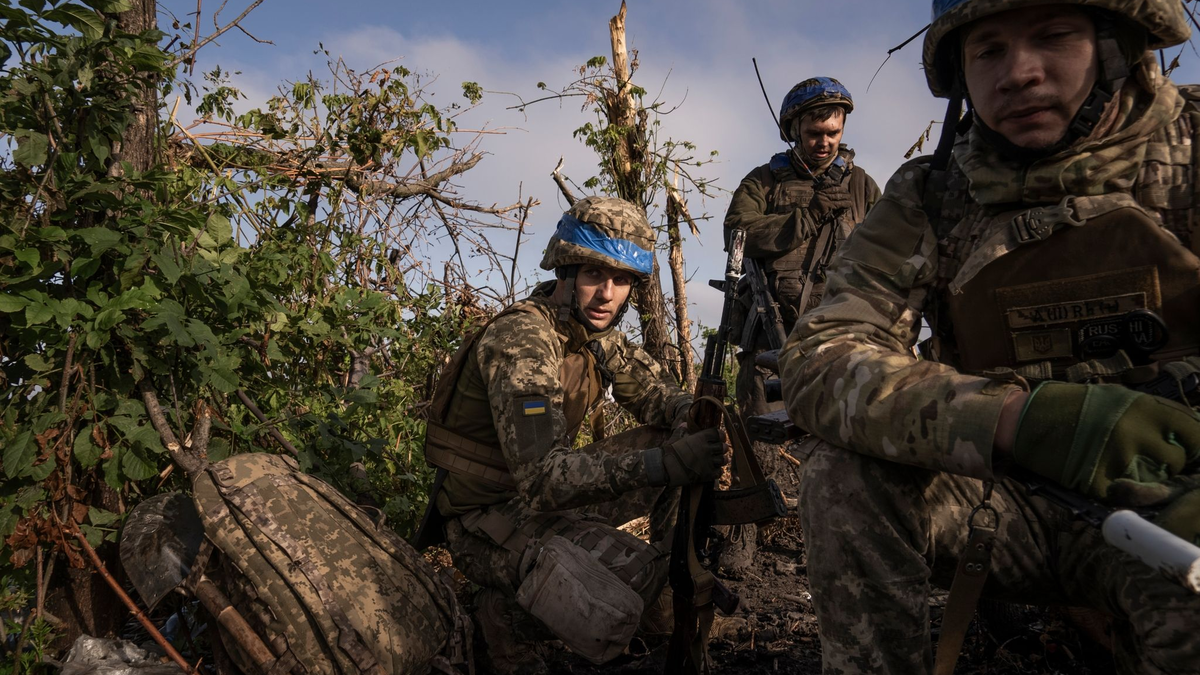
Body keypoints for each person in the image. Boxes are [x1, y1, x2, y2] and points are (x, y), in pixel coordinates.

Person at [779, 1, 1200, 673]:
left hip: (1170, 506)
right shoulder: (932, 194)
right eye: (989, 51)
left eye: (1054, 35)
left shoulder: (1190, 149)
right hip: (1004, 502)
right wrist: (1012, 417)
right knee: (844, 472)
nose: (1019, 74)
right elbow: (818, 358)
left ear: (1114, 43)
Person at [417, 196, 727, 674]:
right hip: (484, 519)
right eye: (593, 276)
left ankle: (668, 575)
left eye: (622, 280)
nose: (607, 293)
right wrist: (669, 464)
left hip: (541, 498)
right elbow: (544, 479)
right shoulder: (522, 340)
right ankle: (499, 621)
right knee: (627, 597)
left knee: (665, 593)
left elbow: (656, 394)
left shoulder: (595, 335)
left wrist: (691, 414)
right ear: (565, 273)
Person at [724, 77, 880, 419]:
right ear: (794, 129)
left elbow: (889, 258)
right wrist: (807, 217)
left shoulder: (862, 186)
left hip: (845, 344)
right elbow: (736, 234)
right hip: (770, 344)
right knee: (766, 451)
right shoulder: (763, 181)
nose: (824, 142)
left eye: (833, 133)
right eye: (814, 133)